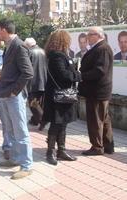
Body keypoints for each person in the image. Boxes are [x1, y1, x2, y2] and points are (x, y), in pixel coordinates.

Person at [0, 18, 33, 180]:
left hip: (13, 96)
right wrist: (2, 71)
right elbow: (14, 68)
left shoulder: (19, 45)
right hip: (5, 94)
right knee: (10, 130)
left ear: (3, 30)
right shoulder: (10, 45)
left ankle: (26, 165)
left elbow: (28, 72)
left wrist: (14, 92)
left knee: (20, 131)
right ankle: (16, 159)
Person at [42, 30, 81, 165]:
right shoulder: (57, 56)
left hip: (59, 96)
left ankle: (61, 150)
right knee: (56, 124)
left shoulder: (57, 55)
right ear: (63, 41)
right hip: (58, 97)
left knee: (62, 124)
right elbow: (64, 75)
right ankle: (50, 152)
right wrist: (78, 75)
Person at [78, 27, 114, 155]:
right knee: (103, 119)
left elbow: (99, 70)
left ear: (98, 35)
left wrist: (82, 75)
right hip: (98, 91)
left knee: (95, 120)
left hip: (97, 91)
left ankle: (97, 147)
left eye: (90, 34)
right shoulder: (99, 48)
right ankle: (107, 146)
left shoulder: (102, 49)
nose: (87, 37)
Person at [24, 37, 47, 129]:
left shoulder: (29, 52)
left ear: (28, 45)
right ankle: (35, 120)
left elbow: (26, 67)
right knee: (38, 102)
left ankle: (42, 119)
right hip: (43, 80)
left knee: (33, 103)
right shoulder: (44, 51)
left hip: (32, 82)